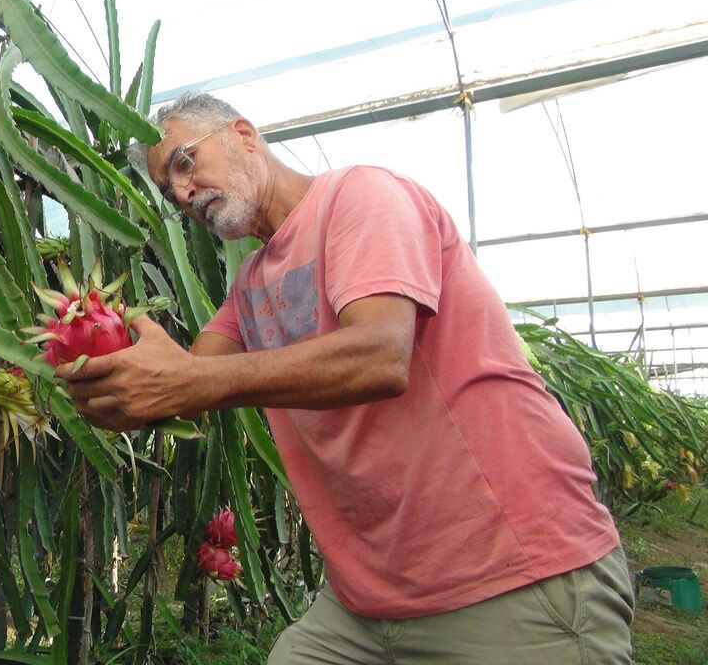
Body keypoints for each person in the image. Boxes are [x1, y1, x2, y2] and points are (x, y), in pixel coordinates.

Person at [57, 93, 634, 664]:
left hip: (509, 570)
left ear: (243, 135)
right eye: (168, 190)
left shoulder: (361, 196)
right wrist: (106, 372)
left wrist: (187, 383)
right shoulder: (251, 282)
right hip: (371, 595)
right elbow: (187, 385)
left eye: (185, 162)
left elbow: (379, 355)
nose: (183, 193)